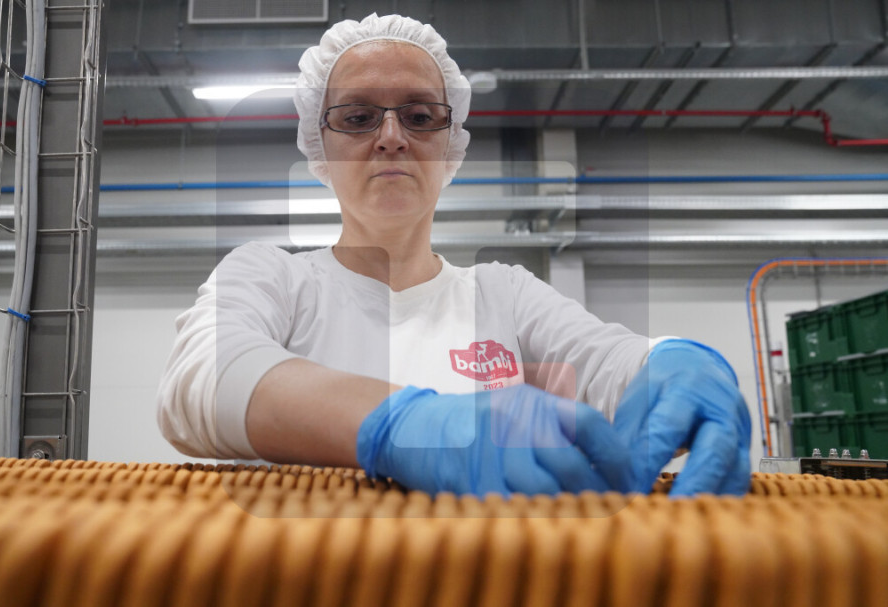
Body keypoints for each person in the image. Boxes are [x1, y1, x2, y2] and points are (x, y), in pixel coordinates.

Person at [156, 13, 751, 497]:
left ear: (451, 144)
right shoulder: (275, 276)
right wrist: (406, 425)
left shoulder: (504, 294)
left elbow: (609, 365)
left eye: (420, 116)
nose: (392, 137)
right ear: (320, 146)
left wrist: (679, 365)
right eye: (358, 117)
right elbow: (203, 376)